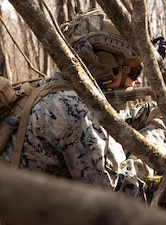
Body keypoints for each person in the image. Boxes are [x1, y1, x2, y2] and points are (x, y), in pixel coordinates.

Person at [0, 8, 148, 196]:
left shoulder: (51, 91)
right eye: (134, 72)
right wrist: (157, 137)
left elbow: (104, 122)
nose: (138, 81)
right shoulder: (75, 109)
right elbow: (125, 199)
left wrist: (145, 114)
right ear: (103, 63)